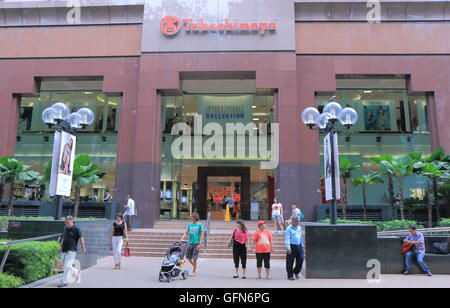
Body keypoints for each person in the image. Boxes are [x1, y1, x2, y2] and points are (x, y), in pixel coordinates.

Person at [58, 216, 86, 288]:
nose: (66, 223)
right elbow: (63, 238)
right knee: (64, 266)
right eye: (65, 222)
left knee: (67, 266)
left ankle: (63, 282)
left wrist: (83, 248)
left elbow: (81, 238)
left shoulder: (76, 228)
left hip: (72, 250)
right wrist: (60, 247)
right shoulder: (65, 228)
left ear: (71, 221)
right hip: (64, 249)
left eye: (67, 222)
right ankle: (76, 272)